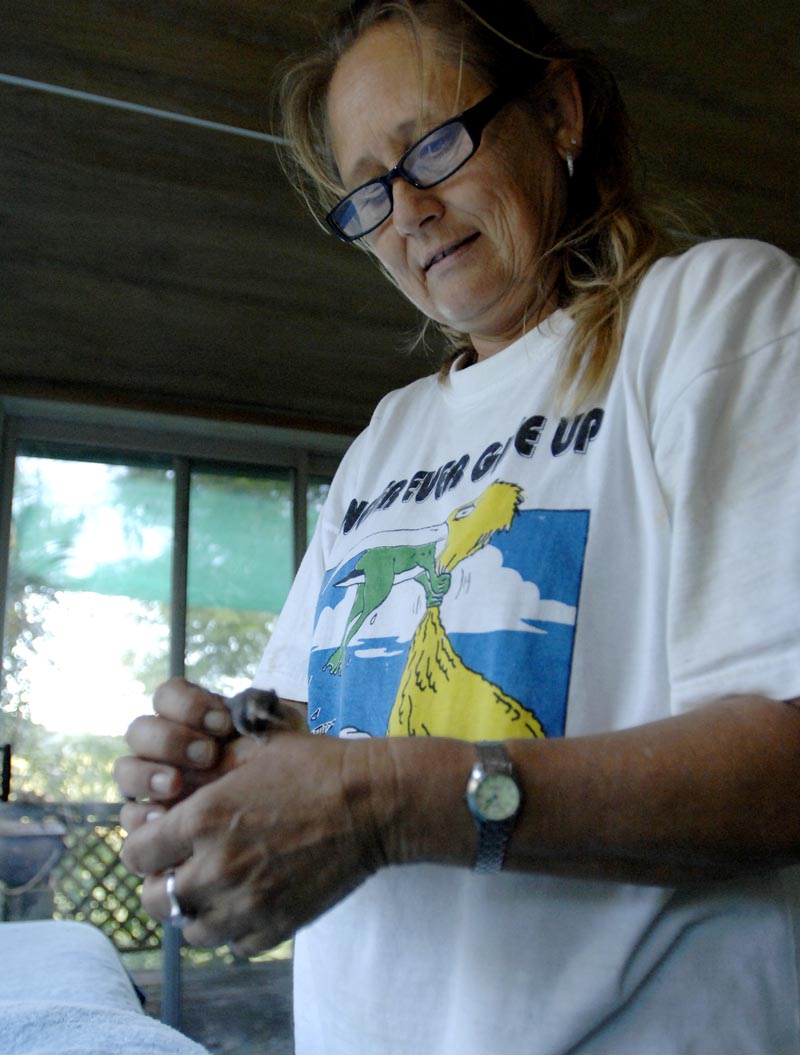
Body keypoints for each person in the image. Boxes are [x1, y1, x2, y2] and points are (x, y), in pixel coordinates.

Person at [115, 2, 800, 1052]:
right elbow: (316, 728)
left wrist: (391, 802)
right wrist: (214, 768)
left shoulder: (713, 314)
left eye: (431, 145)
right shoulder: (388, 434)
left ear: (558, 111)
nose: (408, 211)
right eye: (367, 190)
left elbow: (782, 763)